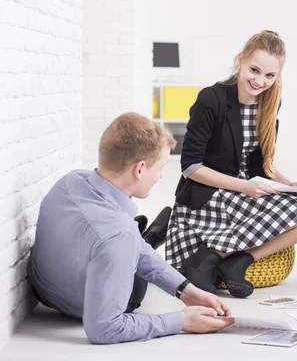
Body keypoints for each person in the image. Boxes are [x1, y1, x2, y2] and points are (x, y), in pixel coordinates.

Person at [27, 113, 234, 344]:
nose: (161, 175)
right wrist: (182, 320)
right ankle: (148, 235)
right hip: (80, 304)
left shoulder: (70, 180)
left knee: (130, 239)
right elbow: (104, 328)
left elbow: (120, 238)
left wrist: (185, 289)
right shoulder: (119, 235)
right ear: (139, 169)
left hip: (44, 291)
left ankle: (145, 234)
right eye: (161, 167)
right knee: (133, 255)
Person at [165, 30, 297, 298]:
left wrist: (289, 184)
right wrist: (244, 187)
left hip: (247, 191)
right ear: (240, 60)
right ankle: (208, 259)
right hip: (211, 194)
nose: (260, 81)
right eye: (254, 70)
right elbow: (190, 167)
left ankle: (239, 260)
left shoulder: (269, 104)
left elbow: (262, 164)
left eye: (270, 75)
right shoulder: (212, 99)